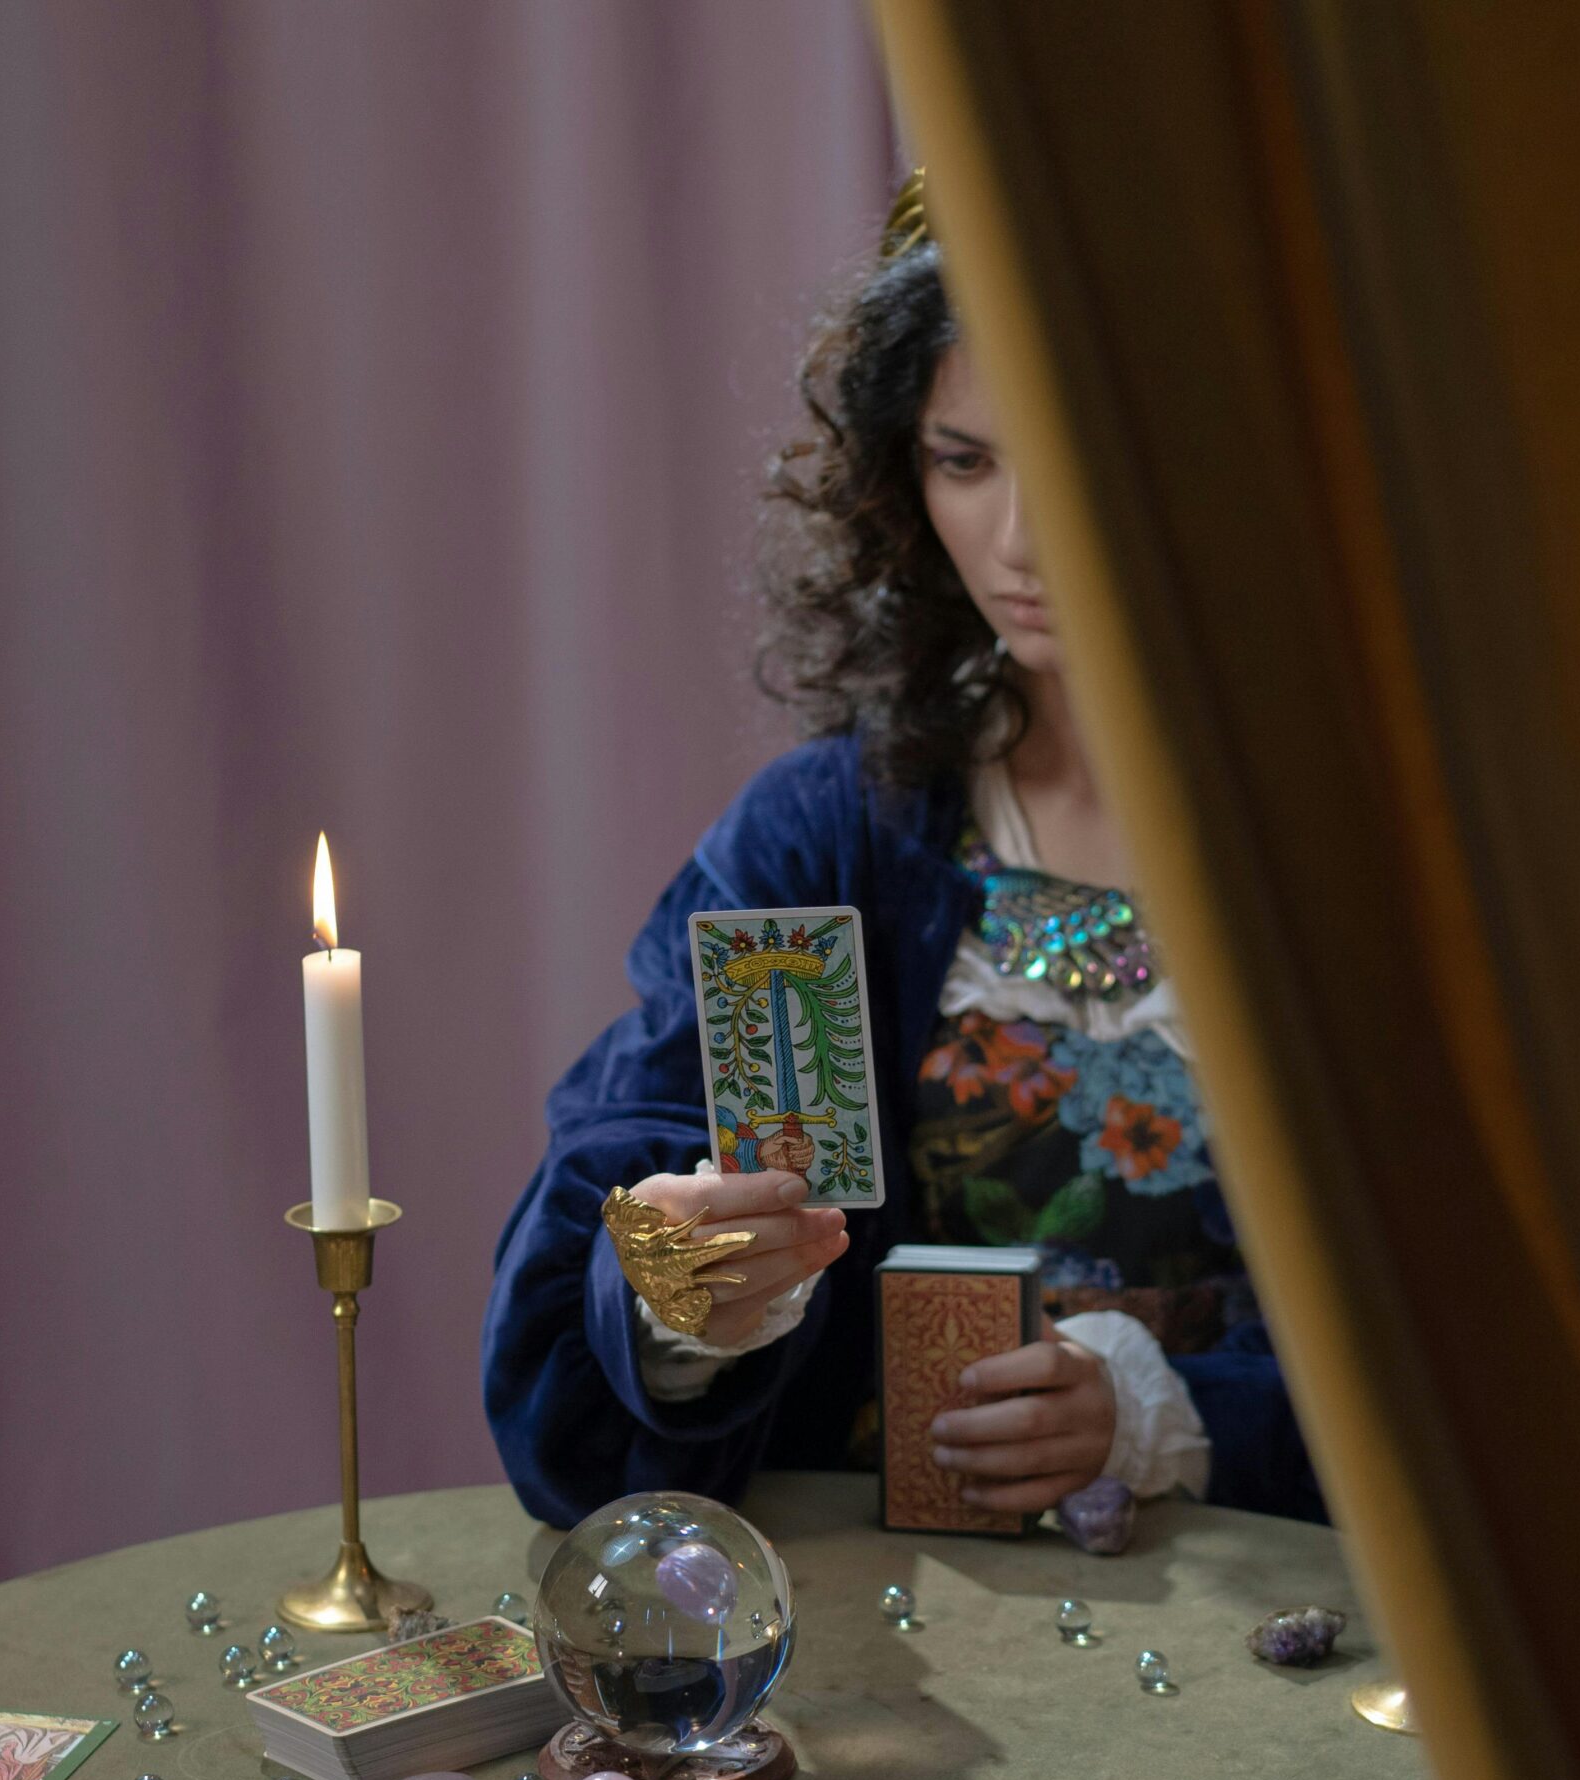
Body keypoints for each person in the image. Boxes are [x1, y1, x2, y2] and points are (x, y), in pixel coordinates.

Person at [483, 174, 1323, 1532]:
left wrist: (1171, 1414)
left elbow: (1514, 1338)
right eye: (966, 462)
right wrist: (686, 1294)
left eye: (1075, 454)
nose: (1023, 541)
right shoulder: (835, 834)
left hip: (1284, 1629)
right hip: (907, 1637)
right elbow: (608, 1224)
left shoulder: (1378, 855)